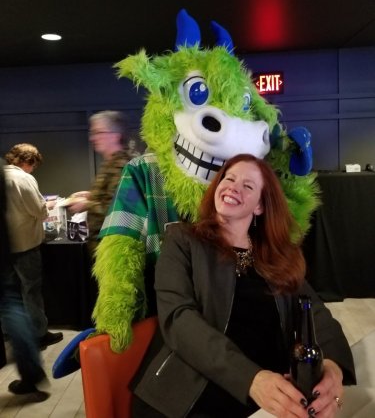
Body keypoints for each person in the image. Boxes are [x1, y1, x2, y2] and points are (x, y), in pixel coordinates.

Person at [131, 153, 356, 418]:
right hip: (189, 395)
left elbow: (315, 311)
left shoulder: (276, 256)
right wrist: (252, 380)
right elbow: (178, 320)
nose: (233, 187)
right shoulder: (182, 241)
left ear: (260, 205)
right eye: (229, 178)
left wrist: (333, 366)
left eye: (248, 186)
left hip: (270, 398)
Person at [4, 143, 63, 349]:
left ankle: (10, 333)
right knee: (31, 291)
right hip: (25, 245)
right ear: (28, 161)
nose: (33, 169)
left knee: (9, 293)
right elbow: (39, 210)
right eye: (34, 166)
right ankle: (39, 335)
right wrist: (49, 205)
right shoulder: (23, 179)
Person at [0, 157, 49, 397]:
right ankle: (34, 356)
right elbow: (40, 209)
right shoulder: (21, 178)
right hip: (19, 245)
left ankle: (28, 366)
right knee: (24, 296)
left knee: (11, 305)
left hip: (9, 247)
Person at [67, 110, 131, 253]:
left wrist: (86, 205)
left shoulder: (123, 166)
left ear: (115, 136)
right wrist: (90, 195)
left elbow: (117, 209)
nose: (92, 138)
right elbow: (109, 196)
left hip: (114, 250)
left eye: (98, 132)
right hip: (103, 246)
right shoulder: (110, 163)